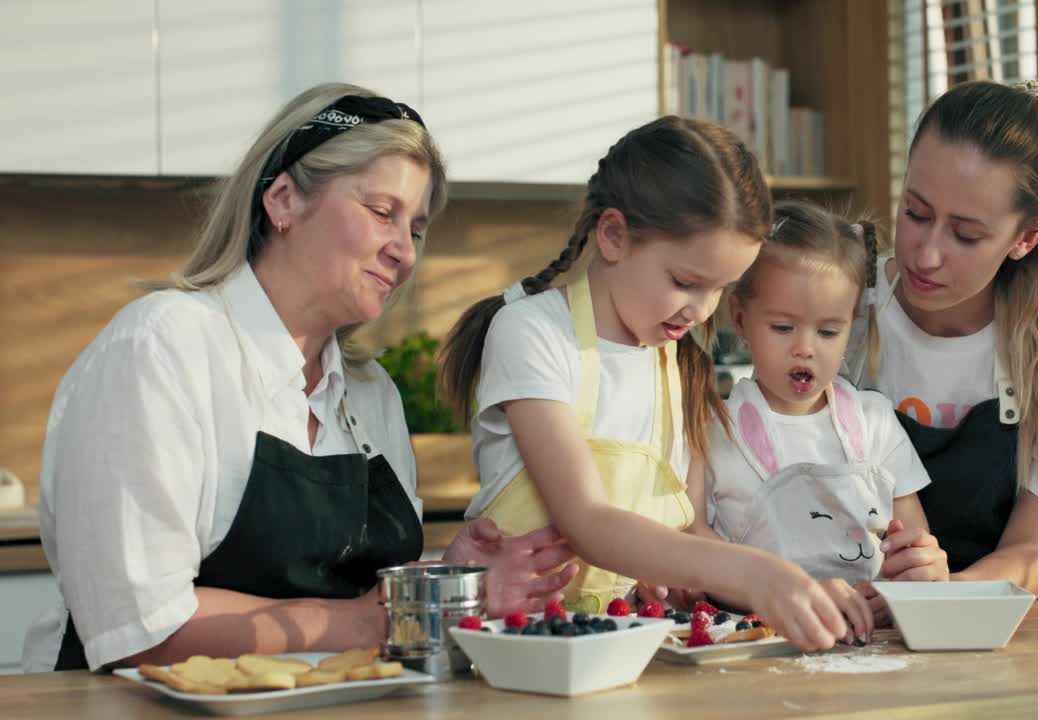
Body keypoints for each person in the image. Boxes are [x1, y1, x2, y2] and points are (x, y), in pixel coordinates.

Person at [24, 83, 575, 673]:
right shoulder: (162, 348)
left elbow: (343, 597)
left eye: (415, 229)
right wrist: (379, 618)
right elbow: (136, 629)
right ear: (283, 200)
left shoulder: (372, 395)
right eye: (382, 212)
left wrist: (439, 581)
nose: (406, 253)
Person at [440, 116, 874, 650]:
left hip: (628, 650)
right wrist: (755, 572)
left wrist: (793, 585)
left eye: (721, 289)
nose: (702, 309)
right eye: (685, 282)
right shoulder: (532, 333)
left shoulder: (680, 364)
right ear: (614, 235)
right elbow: (587, 522)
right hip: (519, 651)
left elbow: (686, 533)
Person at [846, 80, 1038, 604]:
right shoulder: (840, 313)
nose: (926, 254)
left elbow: (1030, 555)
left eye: (966, 234)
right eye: (915, 212)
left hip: (1017, 635)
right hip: (860, 622)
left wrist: (929, 601)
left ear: (1028, 237)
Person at [697, 200, 946, 587]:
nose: (805, 348)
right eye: (782, 327)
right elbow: (697, 549)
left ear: (852, 327)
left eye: (828, 332)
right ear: (741, 319)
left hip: (872, 638)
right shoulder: (715, 431)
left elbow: (911, 543)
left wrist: (919, 570)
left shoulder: (875, 422)